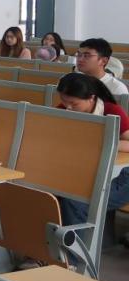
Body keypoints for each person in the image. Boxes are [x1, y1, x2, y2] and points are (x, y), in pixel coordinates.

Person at [54, 73, 129, 240]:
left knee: (75, 202)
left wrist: (100, 143)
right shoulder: (63, 109)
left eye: (74, 103)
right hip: (86, 171)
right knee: (52, 194)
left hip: (120, 174)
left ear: (91, 98)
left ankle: (72, 254)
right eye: (64, 101)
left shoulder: (111, 111)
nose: (68, 108)